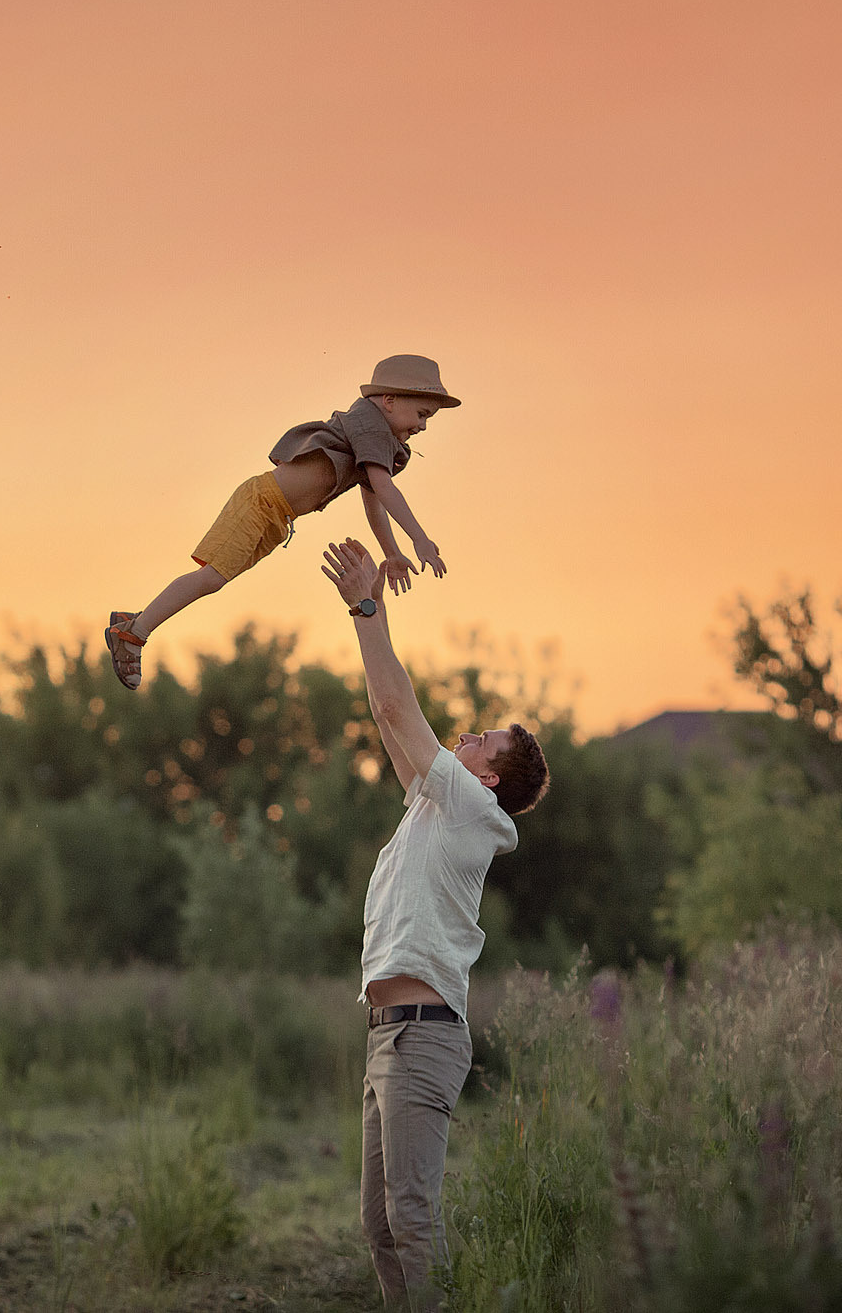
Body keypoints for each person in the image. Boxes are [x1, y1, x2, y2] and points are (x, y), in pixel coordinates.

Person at [319, 538, 551, 1308]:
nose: (471, 732)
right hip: (388, 1032)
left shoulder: (472, 808)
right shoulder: (432, 801)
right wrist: (366, 621)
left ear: (489, 776)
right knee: (378, 1228)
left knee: (412, 1221)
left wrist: (366, 606)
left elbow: (396, 706)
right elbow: (389, 720)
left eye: (486, 738)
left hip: (423, 1034)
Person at [105, 354, 461, 690]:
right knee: (211, 578)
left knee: (215, 580)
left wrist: (392, 551)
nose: (423, 426)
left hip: (277, 517)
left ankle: (135, 620)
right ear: (389, 400)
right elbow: (384, 487)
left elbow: (374, 498)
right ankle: (133, 635)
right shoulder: (369, 423)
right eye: (421, 413)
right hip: (262, 502)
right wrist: (419, 539)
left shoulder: (376, 441)